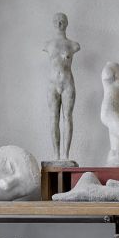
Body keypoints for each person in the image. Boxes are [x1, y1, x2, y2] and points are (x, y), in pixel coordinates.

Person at [43, 13, 80, 161]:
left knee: (67, 117)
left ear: (66, 23)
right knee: (53, 118)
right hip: (52, 83)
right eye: (56, 21)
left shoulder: (73, 45)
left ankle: (65, 155)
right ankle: (56, 155)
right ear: (53, 23)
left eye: (62, 21)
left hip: (67, 82)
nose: (59, 23)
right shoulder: (48, 44)